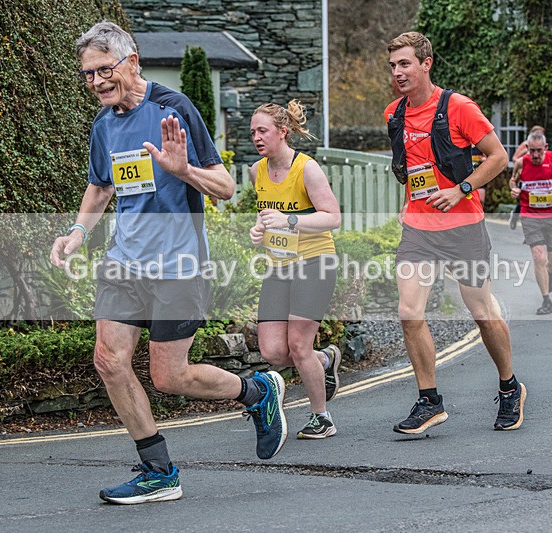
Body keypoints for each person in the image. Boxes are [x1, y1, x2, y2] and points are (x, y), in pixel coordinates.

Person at [49, 21, 287, 505]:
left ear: (131, 61)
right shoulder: (104, 125)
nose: (95, 82)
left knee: (169, 377)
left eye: (103, 70)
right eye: (88, 74)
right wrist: (77, 232)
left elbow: (225, 187)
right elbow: (101, 186)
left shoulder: (173, 108)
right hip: (123, 263)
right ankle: (158, 470)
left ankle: (257, 391)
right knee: (108, 360)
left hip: (177, 266)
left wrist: (184, 170)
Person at [384, 32, 526, 434]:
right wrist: (410, 203)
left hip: (463, 227)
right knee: (409, 314)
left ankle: (509, 386)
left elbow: (498, 157)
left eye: (405, 64)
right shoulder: (394, 114)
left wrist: (461, 188)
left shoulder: (459, 107)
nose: (398, 72)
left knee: (481, 313)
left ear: (426, 63)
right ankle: (429, 401)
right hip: (419, 230)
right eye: (394, 65)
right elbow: (413, 166)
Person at [248, 100, 342, 439]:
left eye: (263, 131)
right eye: (253, 132)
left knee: (299, 346)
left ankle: (322, 417)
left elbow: (333, 217)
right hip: (278, 266)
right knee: (273, 351)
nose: (257, 138)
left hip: (314, 262)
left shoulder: (307, 169)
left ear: (282, 132)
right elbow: (265, 217)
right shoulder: (257, 171)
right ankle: (326, 360)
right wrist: (259, 231)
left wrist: (290, 219)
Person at [509, 130, 552, 315]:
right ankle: (546, 300)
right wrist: (514, 190)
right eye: (532, 150)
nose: (535, 155)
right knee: (538, 256)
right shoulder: (521, 163)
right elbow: (513, 181)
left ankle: (549, 272)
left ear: (545, 147)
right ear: (527, 148)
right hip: (530, 216)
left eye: (539, 150)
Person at [508, 125, 545, 230]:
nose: (539, 135)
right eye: (537, 132)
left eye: (541, 133)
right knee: (524, 199)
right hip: (525, 176)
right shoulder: (525, 145)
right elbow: (515, 158)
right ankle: (515, 216)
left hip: (537, 176)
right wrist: (525, 159)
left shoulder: (541, 145)